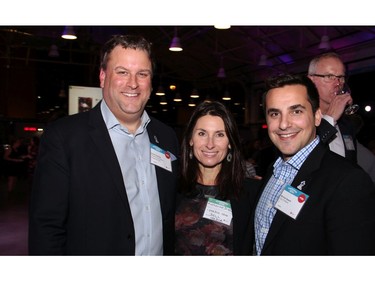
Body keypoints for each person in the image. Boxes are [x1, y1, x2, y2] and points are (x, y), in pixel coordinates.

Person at [29, 35, 180, 255]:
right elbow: (46, 228)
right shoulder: (64, 138)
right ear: (102, 77)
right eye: (122, 72)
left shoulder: (166, 137)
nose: (133, 83)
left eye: (142, 74)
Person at [253, 73, 375, 255]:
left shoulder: (348, 181)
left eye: (296, 111)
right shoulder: (272, 169)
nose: (284, 124)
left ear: (317, 116)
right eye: (275, 113)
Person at [175, 101, 258, 255]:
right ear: (190, 139)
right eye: (202, 133)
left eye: (219, 134)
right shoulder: (171, 187)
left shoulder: (251, 193)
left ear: (230, 143)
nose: (210, 144)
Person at [308, 52, 361, 164]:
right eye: (329, 76)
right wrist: (330, 119)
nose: (337, 83)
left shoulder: (347, 124)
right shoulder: (303, 119)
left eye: (340, 77)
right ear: (311, 81)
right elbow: (304, 158)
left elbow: (351, 165)